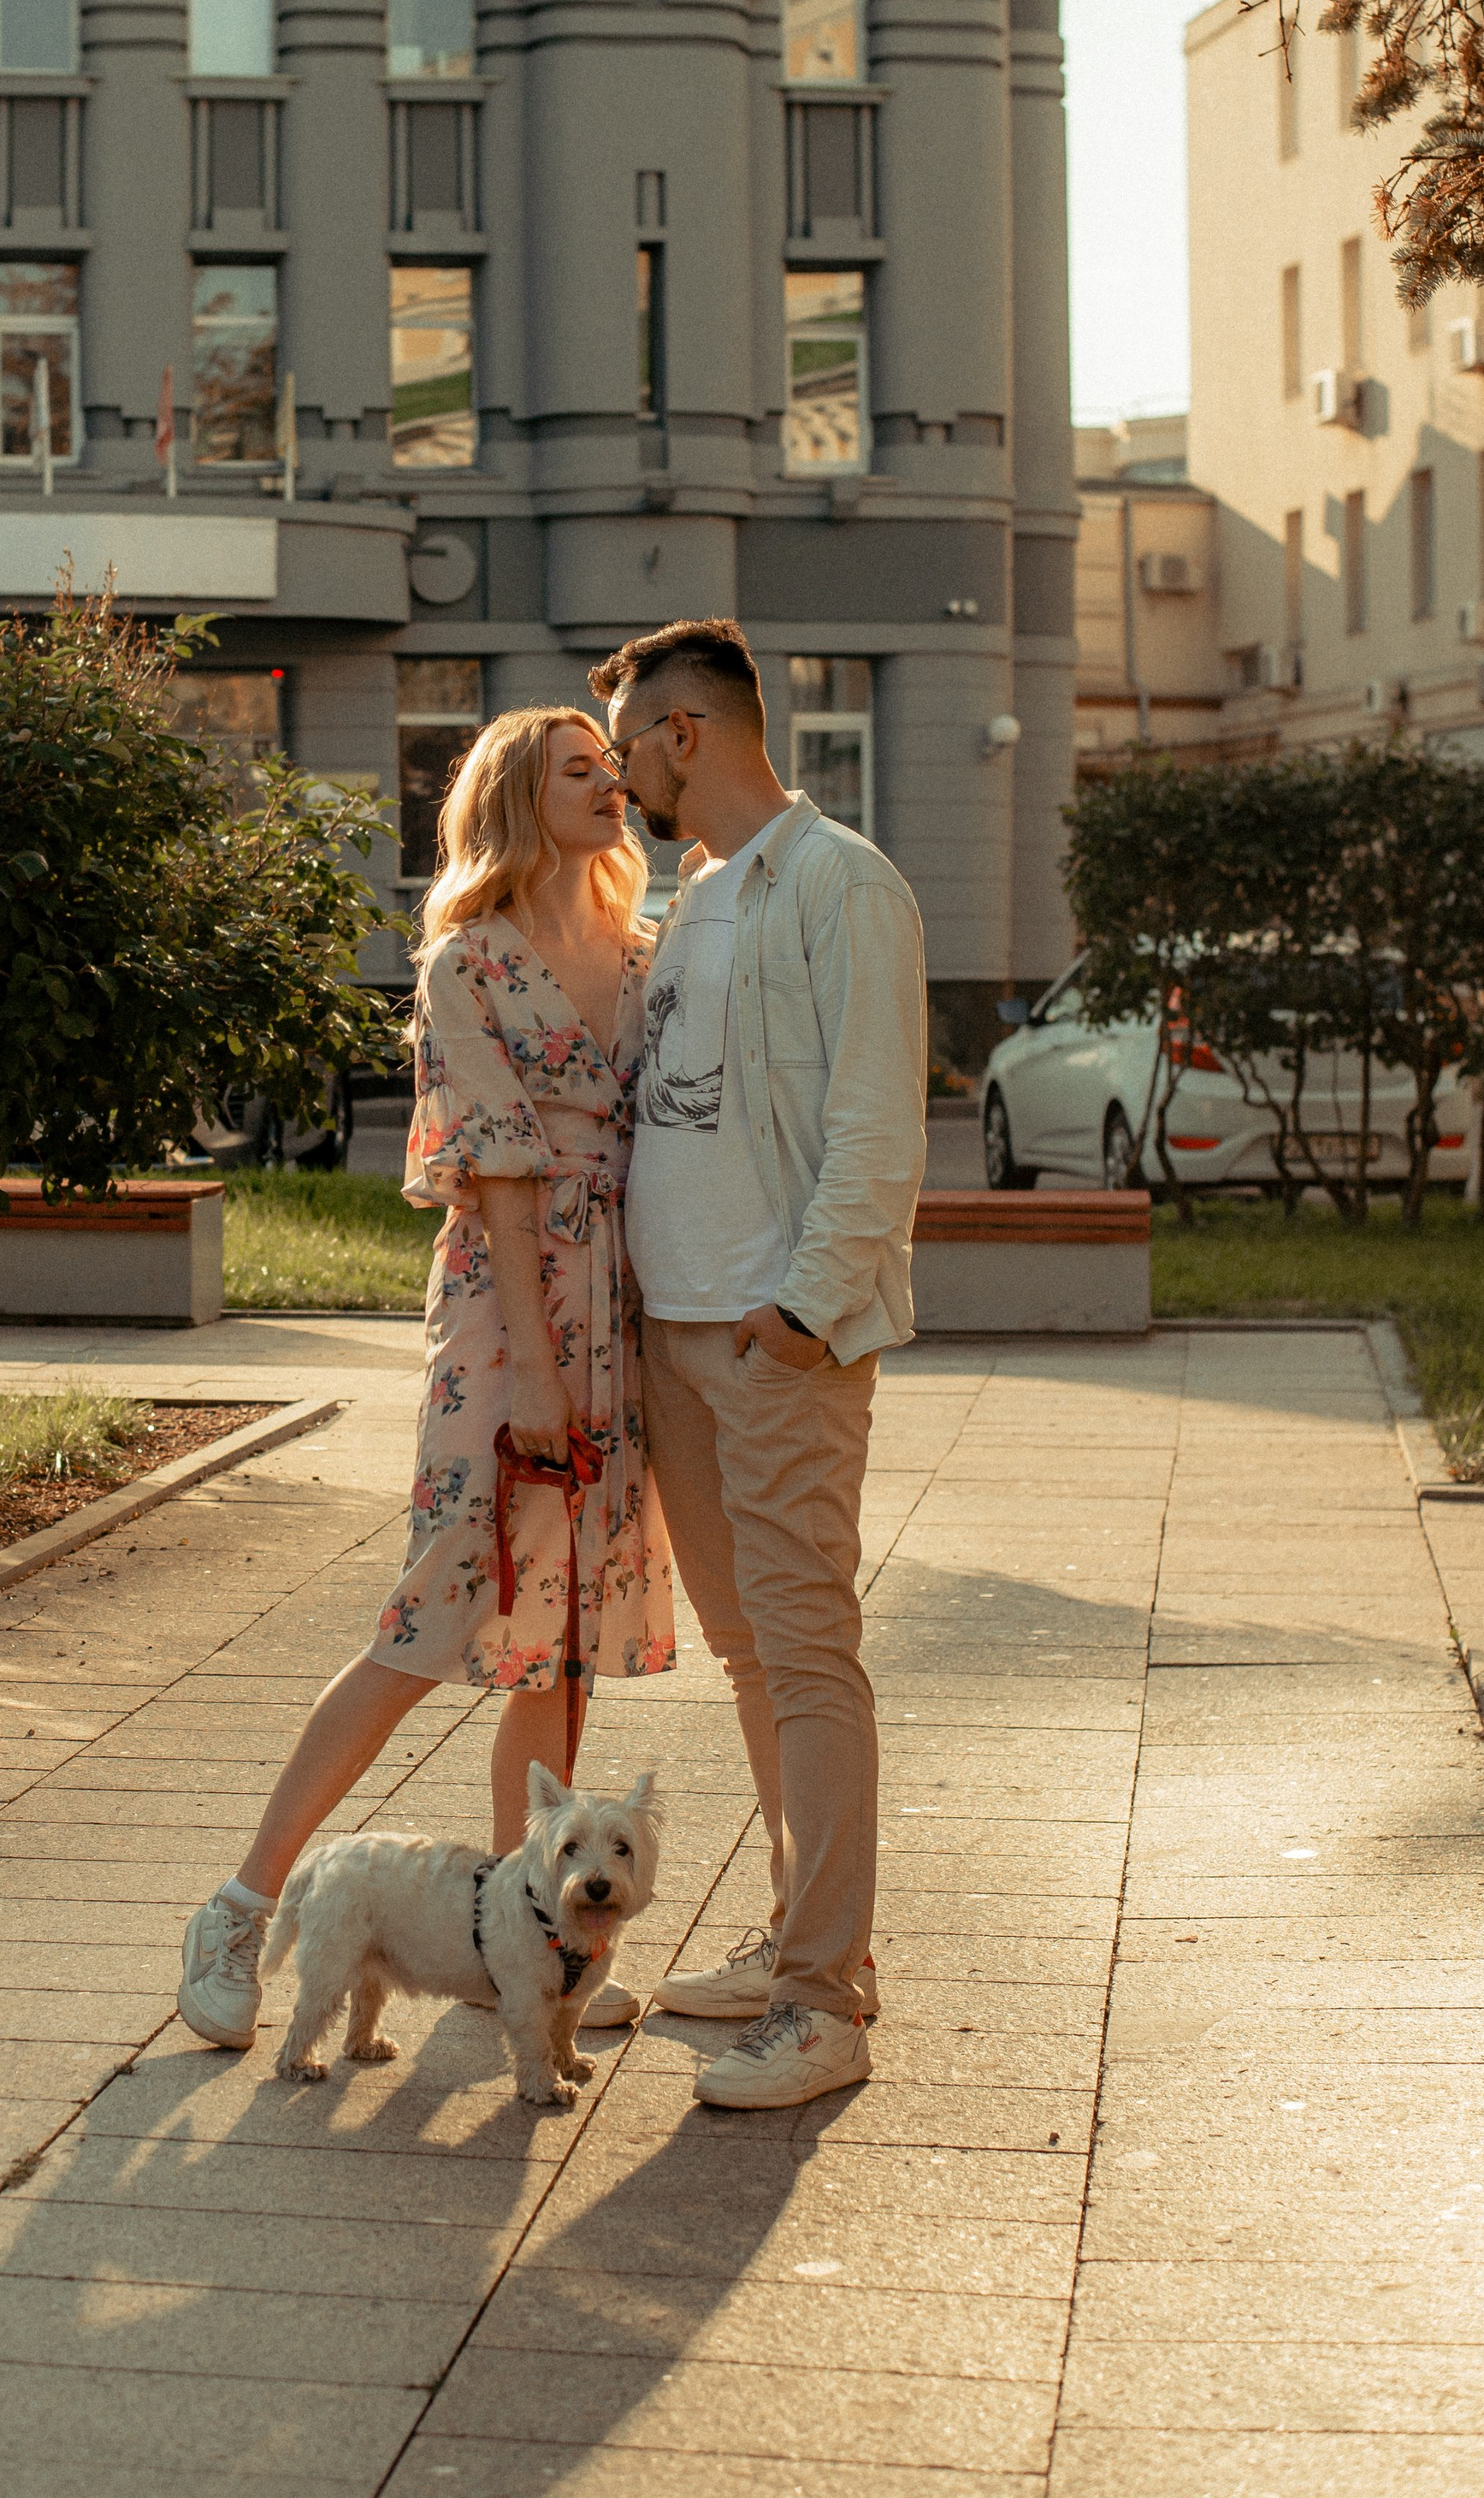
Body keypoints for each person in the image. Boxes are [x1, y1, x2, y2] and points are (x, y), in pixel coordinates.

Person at [179, 705, 676, 2051]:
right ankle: (239, 1905)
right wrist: (529, 1369)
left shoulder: (641, 953)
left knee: (561, 1644)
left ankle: (539, 1939)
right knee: (431, 1618)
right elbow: (500, 1171)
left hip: (615, 1310)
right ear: (518, 796)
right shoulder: (466, 963)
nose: (611, 785)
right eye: (581, 770)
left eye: (614, 768)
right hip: (510, 1321)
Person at [588, 617, 926, 2112]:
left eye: (625, 746)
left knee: (805, 1651)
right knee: (750, 1658)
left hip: (773, 1339)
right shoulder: (704, 891)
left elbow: (874, 1126)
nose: (618, 778)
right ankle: (798, 1939)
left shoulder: (841, 883)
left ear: (684, 736)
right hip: (679, 1336)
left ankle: (824, 1998)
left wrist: (802, 1310)